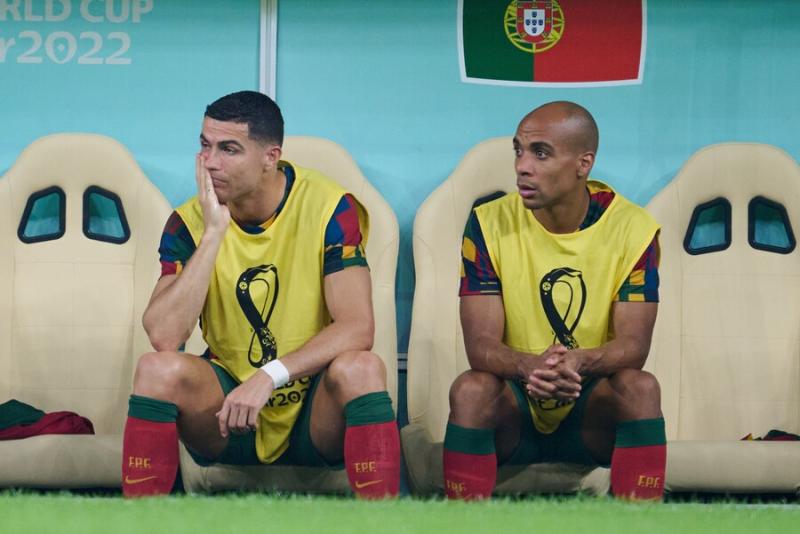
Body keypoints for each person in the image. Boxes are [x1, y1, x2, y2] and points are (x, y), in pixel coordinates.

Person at [121, 91, 400, 498]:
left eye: (229, 149)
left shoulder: (329, 207)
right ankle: (139, 525)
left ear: (271, 156)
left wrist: (270, 376)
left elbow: (357, 327)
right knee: (155, 369)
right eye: (205, 145)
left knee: (362, 367)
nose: (210, 162)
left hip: (312, 413)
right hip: (224, 413)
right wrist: (215, 233)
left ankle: (386, 525)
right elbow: (164, 336)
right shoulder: (189, 221)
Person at [444, 101, 665, 500]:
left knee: (641, 388)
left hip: (589, 411)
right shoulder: (487, 222)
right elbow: (480, 347)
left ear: (584, 164)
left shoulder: (634, 229)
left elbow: (635, 346)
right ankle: (461, 523)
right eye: (518, 151)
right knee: (470, 390)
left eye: (540, 153)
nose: (522, 166)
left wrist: (578, 362)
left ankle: (641, 525)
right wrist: (529, 368)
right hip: (514, 407)